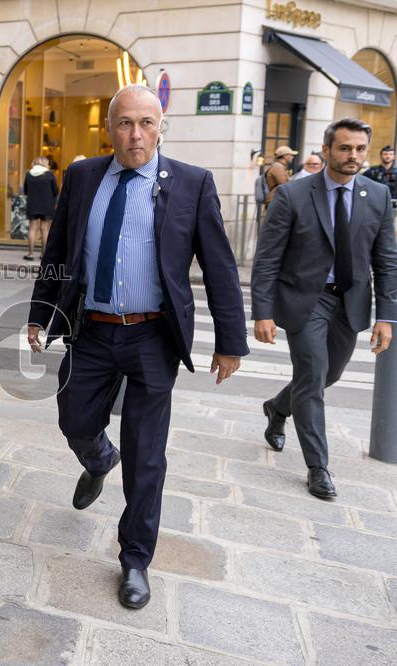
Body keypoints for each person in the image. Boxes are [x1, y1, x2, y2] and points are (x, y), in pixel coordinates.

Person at [26, 84, 248, 609]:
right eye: (125, 123)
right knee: (72, 417)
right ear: (109, 127)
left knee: (147, 455)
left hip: (152, 334)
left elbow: (219, 265)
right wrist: (40, 314)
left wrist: (230, 341)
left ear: (161, 124)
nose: (135, 134)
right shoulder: (82, 177)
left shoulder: (192, 184)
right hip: (93, 330)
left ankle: (134, 560)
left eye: (146, 123)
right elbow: (57, 249)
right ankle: (99, 458)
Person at [252, 118, 397, 499]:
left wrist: (386, 316)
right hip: (305, 300)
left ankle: (277, 407)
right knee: (313, 374)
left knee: (326, 375)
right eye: (345, 148)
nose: (354, 156)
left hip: (349, 301)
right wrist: (262, 311)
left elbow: (386, 261)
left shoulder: (377, 196)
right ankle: (318, 466)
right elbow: (267, 258)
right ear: (327, 149)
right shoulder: (292, 195)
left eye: (360, 149)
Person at [22, 156, 58, 261]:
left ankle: (30, 254)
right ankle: (43, 254)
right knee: (45, 229)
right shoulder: (50, 174)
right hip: (47, 205)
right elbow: (55, 191)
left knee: (32, 228)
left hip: (33, 204)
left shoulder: (29, 174)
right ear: (45, 163)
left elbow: (25, 191)